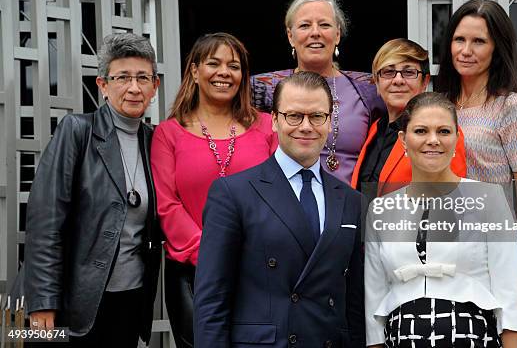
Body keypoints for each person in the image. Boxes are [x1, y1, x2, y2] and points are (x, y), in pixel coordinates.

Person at [194, 71, 365, 347]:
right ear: (274, 120)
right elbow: (212, 300)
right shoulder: (233, 193)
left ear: (330, 121)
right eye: (294, 116)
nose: (306, 126)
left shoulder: (351, 200)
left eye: (317, 116)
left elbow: (354, 302)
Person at [24, 33, 162, 347]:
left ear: (155, 86)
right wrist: (43, 299)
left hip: (130, 297)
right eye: (122, 77)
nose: (133, 87)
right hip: (72, 299)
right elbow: (45, 221)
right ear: (102, 85)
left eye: (143, 77)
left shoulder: (156, 141)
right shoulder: (77, 131)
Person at [364, 92, 517, 348]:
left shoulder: (489, 199)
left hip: (473, 337)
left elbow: (511, 301)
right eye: (420, 131)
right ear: (403, 140)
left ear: (456, 138)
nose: (433, 140)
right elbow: (374, 300)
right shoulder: (380, 210)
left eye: (443, 131)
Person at [151, 32, 277, 348]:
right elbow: (167, 205)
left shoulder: (266, 126)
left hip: (260, 270)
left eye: (234, 66)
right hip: (193, 274)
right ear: (194, 71)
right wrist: (210, 254)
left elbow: (280, 195)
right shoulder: (169, 133)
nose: (224, 73)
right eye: (213, 63)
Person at [436, 0, 517, 299]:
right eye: (459, 39)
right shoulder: (440, 103)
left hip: (492, 246)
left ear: (497, 49)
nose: (466, 51)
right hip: (442, 244)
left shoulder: (510, 106)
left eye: (478, 41)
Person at [251, 0, 384, 183]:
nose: (315, 33)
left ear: (337, 34)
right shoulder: (262, 90)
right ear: (290, 36)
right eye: (305, 25)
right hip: (283, 204)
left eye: (324, 25)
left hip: (351, 205)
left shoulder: (370, 90)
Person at [351, 38, 466, 199]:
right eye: (388, 72)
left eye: (409, 72)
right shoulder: (375, 128)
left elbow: (451, 198)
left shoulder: (444, 133)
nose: (398, 80)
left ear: (425, 81)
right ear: (376, 82)